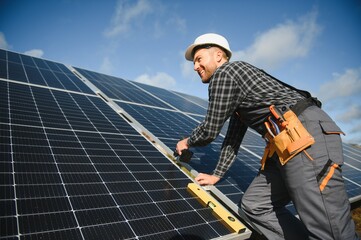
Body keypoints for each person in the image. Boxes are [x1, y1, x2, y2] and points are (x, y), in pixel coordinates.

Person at [176, 33, 359, 240]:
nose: (195, 66)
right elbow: (234, 136)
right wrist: (217, 174)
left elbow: (210, 129)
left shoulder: (225, 73)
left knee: (329, 228)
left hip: (304, 137)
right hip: (284, 142)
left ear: (218, 55)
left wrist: (187, 141)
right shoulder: (239, 83)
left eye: (199, 59)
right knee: (256, 205)